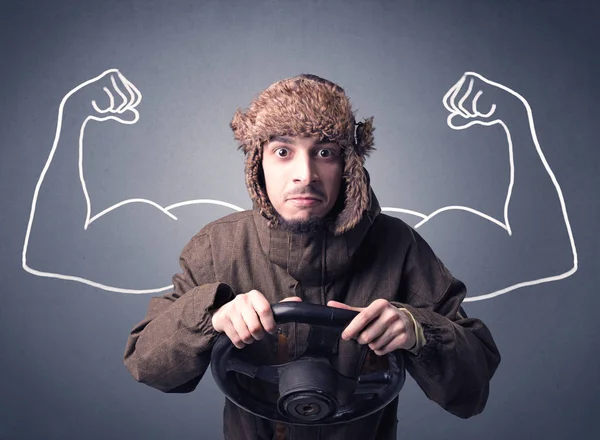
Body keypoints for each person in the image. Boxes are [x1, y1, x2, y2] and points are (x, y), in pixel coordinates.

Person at [123, 74, 501, 440]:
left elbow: (472, 389)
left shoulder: (399, 246)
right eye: (283, 151)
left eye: (324, 152)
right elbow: (149, 365)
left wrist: (419, 331)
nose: (305, 174)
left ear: (348, 165)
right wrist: (211, 315)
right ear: (258, 164)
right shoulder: (216, 247)